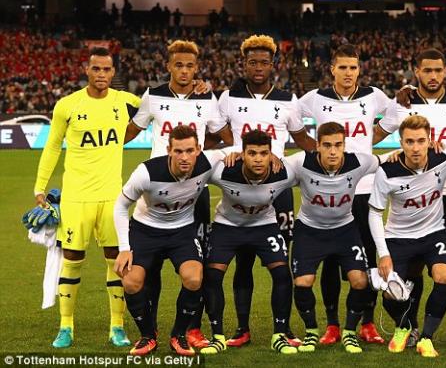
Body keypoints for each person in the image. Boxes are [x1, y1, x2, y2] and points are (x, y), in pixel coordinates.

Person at [124, 39, 232, 349]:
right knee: (151, 268)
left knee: (195, 267)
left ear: (196, 68)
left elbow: (224, 136)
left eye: (189, 66)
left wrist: (199, 153)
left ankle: (188, 330)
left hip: (192, 190)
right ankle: (151, 329)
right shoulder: (153, 96)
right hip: (157, 187)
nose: (184, 71)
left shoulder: (206, 97)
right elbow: (131, 131)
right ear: (168, 66)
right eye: (178, 65)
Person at [33, 47, 140, 348]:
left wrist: (195, 88)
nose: (102, 75)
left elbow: (158, 101)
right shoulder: (68, 105)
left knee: (115, 261)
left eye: (107, 70)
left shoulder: (124, 101)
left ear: (113, 72)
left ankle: (116, 326)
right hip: (76, 197)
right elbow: (53, 146)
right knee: (72, 259)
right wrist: (40, 187)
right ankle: (66, 326)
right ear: (87, 70)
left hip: (111, 199)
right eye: (96, 69)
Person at [217, 34, 316, 347]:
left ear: (274, 65)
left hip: (278, 189)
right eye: (252, 62)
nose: (258, 67)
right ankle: (242, 329)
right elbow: (220, 139)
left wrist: (338, 157)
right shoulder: (228, 97)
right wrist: (231, 151)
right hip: (239, 187)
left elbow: (303, 141)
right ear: (243, 64)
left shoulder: (288, 99)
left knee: (280, 264)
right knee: (243, 262)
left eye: (264, 62)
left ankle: (282, 329)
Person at [372, 48, 446, 347]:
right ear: (416, 71)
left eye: (438, 70)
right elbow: (375, 135)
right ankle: (412, 326)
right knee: (412, 267)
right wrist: (384, 157)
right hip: (413, 193)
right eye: (426, 70)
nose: (432, 76)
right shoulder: (402, 102)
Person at [298, 43, 392, 345]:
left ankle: (366, 323)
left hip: (364, 189)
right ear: (332, 69)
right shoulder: (315, 99)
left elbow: (396, 114)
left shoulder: (373, 96)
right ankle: (333, 325)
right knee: (329, 260)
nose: (348, 73)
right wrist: (312, 151)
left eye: (353, 67)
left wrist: (373, 137)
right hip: (330, 186)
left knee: (366, 261)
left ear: (359, 69)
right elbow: (291, 119)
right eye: (343, 67)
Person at [113, 126, 227, 356]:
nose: (184, 157)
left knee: (194, 278)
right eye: (178, 151)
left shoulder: (208, 161)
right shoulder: (146, 172)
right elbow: (120, 206)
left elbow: (233, 151)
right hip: (145, 231)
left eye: (189, 150)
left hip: (182, 232)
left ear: (199, 150)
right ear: (169, 150)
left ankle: (179, 335)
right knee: (131, 282)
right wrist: (124, 249)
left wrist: (236, 154)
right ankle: (147, 336)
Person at [283, 122, 381, 353]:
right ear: (317, 146)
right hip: (309, 230)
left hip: (345, 229)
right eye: (327, 145)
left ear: (345, 146)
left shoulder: (359, 162)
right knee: (303, 282)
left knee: (360, 281)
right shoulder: (300, 162)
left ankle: (348, 332)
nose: (333, 151)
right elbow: (273, 168)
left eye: (338, 145)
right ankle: (311, 332)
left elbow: (387, 161)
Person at [202, 130, 298, 355]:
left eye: (263, 153)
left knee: (282, 274)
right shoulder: (224, 171)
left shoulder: (283, 172)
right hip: (227, 226)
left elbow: (312, 166)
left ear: (270, 154)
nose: (258, 158)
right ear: (242, 153)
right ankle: (218, 337)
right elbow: (200, 158)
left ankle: (279, 335)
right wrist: (225, 152)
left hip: (263, 226)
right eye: (252, 153)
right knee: (213, 275)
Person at [369, 115, 446, 358]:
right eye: (409, 142)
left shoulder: (443, 158)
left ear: (430, 139)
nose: (415, 147)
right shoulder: (387, 171)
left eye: (420, 141)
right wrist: (383, 254)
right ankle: (406, 326)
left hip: (433, 232)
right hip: (398, 237)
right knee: (389, 292)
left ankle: (426, 338)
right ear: (401, 142)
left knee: (444, 275)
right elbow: (375, 213)